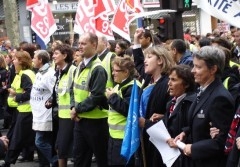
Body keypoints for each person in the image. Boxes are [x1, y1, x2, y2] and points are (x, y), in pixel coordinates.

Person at [174, 46, 235, 167]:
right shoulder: (202, 90)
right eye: (193, 66)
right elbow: (200, 121)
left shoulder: (220, 98)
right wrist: (185, 133)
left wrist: (194, 148)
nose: (192, 71)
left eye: (198, 67)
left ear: (213, 69)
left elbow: (222, 141)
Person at [133, 27, 174, 167]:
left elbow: (172, 113)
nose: (145, 60)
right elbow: (138, 62)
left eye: (149, 57)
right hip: (145, 138)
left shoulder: (168, 83)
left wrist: (148, 122)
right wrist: (136, 41)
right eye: (145, 57)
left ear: (160, 61)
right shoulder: (148, 79)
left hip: (159, 143)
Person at [70, 32, 108, 167]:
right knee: (79, 159)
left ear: (94, 44)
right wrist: (73, 108)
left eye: (83, 43)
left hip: (96, 123)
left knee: (102, 159)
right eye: (79, 43)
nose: (80, 46)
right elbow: (73, 90)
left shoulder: (97, 68)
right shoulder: (79, 67)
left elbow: (96, 96)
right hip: (80, 120)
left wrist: (76, 109)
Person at [105, 55, 140, 166]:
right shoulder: (119, 86)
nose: (113, 73)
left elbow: (128, 110)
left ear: (125, 72)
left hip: (124, 138)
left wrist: (112, 97)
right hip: (114, 136)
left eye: (116, 71)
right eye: (113, 70)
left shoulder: (133, 87)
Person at [3, 51, 36, 167]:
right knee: (19, 136)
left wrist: (15, 95)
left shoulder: (25, 75)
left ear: (21, 61)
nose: (13, 60)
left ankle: (7, 162)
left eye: (15, 59)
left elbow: (30, 93)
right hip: (22, 110)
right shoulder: (23, 73)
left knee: (17, 138)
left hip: (26, 111)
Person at [46, 44, 76, 167]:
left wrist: (74, 109)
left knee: (64, 148)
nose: (53, 56)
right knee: (59, 147)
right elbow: (58, 91)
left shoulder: (73, 70)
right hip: (60, 115)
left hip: (70, 115)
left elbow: (75, 92)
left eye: (56, 53)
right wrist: (51, 100)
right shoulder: (58, 72)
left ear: (65, 55)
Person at [162, 65, 195, 167]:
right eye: (169, 79)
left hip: (184, 159)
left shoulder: (191, 103)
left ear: (186, 84)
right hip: (171, 157)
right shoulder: (171, 102)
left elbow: (193, 131)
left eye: (174, 80)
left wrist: (180, 143)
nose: (169, 83)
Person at [30, 50, 57, 167]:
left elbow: (55, 93)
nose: (32, 60)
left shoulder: (50, 74)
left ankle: (56, 161)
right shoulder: (39, 73)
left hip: (45, 114)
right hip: (37, 114)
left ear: (40, 60)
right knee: (43, 141)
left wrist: (50, 103)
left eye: (34, 58)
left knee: (40, 142)